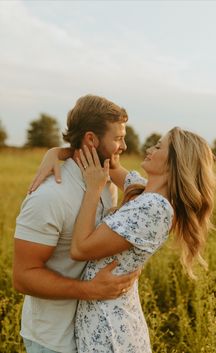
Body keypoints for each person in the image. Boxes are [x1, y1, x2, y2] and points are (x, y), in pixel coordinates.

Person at [31, 127, 216, 352]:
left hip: (109, 329)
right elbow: (111, 163)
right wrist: (56, 153)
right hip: (105, 317)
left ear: (176, 162)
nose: (149, 149)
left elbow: (80, 249)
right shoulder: (145, 193)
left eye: (158, 146)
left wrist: (93, 189)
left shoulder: (154, 208)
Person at [13, 95, 140, 353]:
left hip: (94, 334)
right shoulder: (49, 197)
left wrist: (60, 151)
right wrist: (91, 290)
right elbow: (23, 277)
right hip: (53, 340)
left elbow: (148, 193)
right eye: (117, 138)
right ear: (91, 139)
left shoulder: (104, 182)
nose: (124, 146)